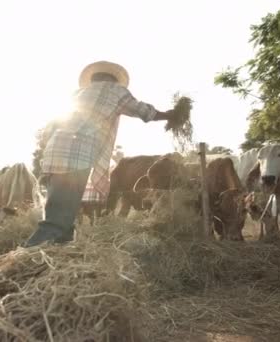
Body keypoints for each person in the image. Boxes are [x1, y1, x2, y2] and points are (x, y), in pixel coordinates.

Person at [24, 60, 173, 247]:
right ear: (113, 79)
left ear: (92, 79)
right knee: (57, 221)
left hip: (53, 155)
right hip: (76, 156)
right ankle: (24, 256)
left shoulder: (78, 94)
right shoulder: (115, 91)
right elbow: (143, 111)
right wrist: (170, 115)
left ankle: (58, 259)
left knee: (63, 213)